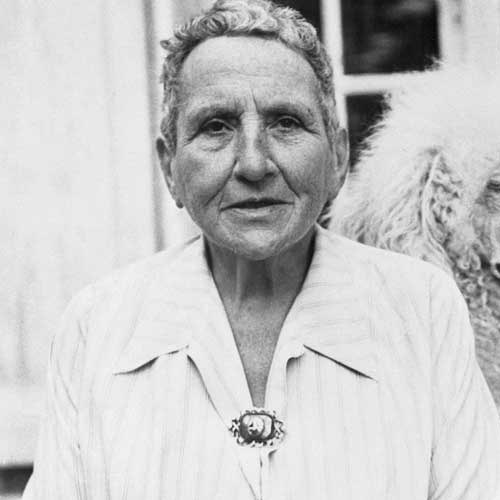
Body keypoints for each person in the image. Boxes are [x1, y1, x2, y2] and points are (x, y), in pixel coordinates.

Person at [23, 1, 500, 499]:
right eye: (216, 126)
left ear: (338, 157)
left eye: (286, 123)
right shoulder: (99, 328)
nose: (253, 164)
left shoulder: (423, 310)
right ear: (170, 168)